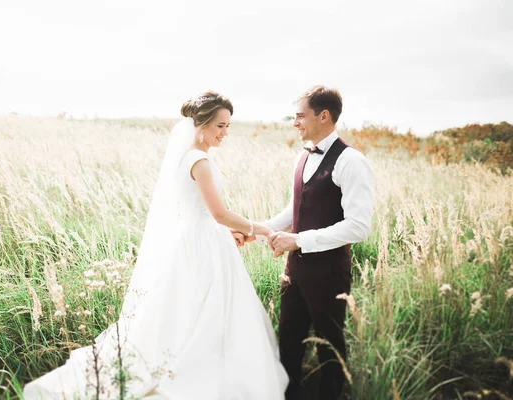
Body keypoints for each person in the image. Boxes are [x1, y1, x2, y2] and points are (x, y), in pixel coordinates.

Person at [23, 91, 289, 399]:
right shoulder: (199, 161)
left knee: (193, 311)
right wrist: (262, 229)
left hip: (200, 238)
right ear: (200, 124)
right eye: (219, 126)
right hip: (203, 245)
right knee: (204, 311)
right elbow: (219, 213)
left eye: (228, 126)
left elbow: (205, 213)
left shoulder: (188, 157)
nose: (224, 133)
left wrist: (234, 231)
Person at [240, 85, 374, 400]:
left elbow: (358, 226)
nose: (295, 122)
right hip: (294, 272)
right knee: (287, 344)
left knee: (330, 350)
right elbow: (295, 210)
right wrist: (254, 230)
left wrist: (298, 240)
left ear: (323, 116)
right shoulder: (303, 156)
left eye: (301, 116)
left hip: (329, 274)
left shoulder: (351, 161)